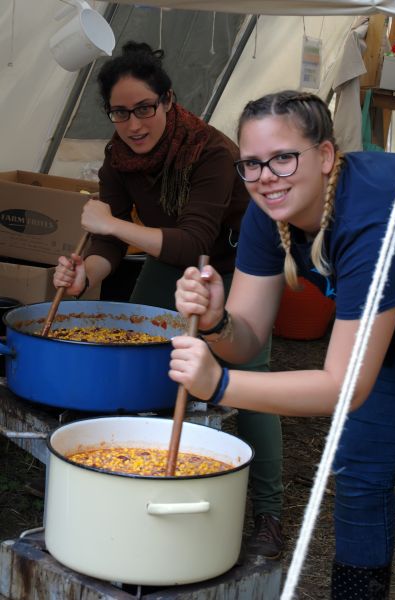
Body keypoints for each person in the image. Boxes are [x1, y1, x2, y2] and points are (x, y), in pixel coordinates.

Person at [53, 41, 284, 559]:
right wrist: (84, 277)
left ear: (168, 100)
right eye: (120, 112)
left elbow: (194, 238)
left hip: (237, 263)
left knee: (247, 384)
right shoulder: (118, 158)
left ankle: (268, 514)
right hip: (167, 261)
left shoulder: (213, 153)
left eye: (144, 109)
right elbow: (108, 243)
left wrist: (112, 222)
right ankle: (148, 470)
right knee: (148, 351)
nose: (134, 125)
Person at [171, 90, 395, 599]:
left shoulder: (375, 213)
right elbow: (246, 337)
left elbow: (343, 386)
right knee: (361, 470)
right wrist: (215, 323)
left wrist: (220, 384)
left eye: (282, 157)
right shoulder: (269, 210)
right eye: (251, 164)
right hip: (388, 337)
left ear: (324, 156)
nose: (265, 177)